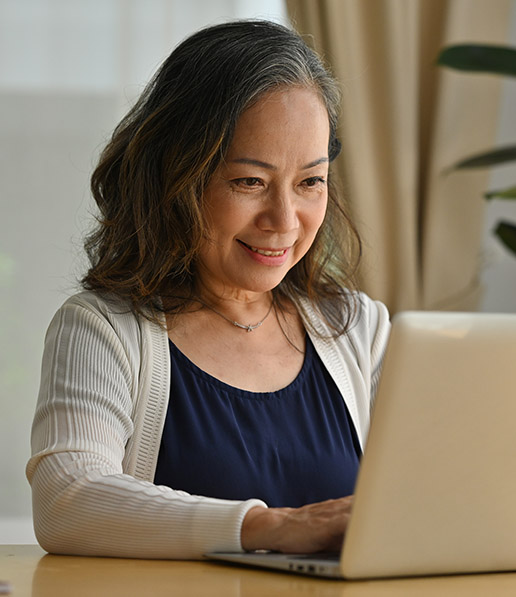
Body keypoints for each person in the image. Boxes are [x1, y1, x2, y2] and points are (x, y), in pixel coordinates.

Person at [26, 19, 390, 559]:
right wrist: (270, 527)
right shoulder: (101, 328)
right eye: (250, 182)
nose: (284, 220)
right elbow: (67, 500)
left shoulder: (358, 328)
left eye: (310, 181)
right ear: (177, 179)